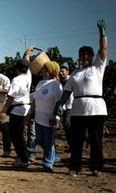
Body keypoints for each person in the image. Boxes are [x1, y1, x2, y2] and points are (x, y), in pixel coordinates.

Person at [53, 19, 108, 177]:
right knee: (76, 141)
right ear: (78, 57)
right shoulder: (75, 73)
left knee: (96, 140)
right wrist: (60, 104)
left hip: (96, 108)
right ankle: (74, 167)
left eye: (87, 54)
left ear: (92, 56)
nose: (84, 56)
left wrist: (102, 33)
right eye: (82, 54)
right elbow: (66, 92)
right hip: (77, 110)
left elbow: (103, 48)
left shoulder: (97, 67)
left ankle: (96, 166)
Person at [27, 61, 63, 172]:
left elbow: (59, 102)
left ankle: (48, 163)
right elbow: (35, 99)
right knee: (40, 140)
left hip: (50, 118)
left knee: (48, 141)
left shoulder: (56, 84)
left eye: (44, 68)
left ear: (49, 70)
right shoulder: (40, 83)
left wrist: (55, 115)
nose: (41, 69)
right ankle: (52, 156)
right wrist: (30, 112)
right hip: (38, 117)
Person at [0, 48, 32, 168]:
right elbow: (26, 63)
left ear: (16, 68)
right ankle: (22, 157)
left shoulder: (16, 79)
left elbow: (10, 98)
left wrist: (3, 111)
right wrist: (27, 53)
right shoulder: (28, 76)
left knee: (16, 135)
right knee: (19, 134)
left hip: (17, 109)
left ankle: (23, 159)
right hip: (25, 108)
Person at [59, 65, 73, 152]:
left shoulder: (70, 80)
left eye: (62, 71)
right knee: (66, 124)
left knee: (67, 124)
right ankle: (71, 145)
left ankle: (73, 144)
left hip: (71, 106)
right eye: (60, 71)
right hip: (66, 106)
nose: (61, 73)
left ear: (67, 72)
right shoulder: (63, 81)